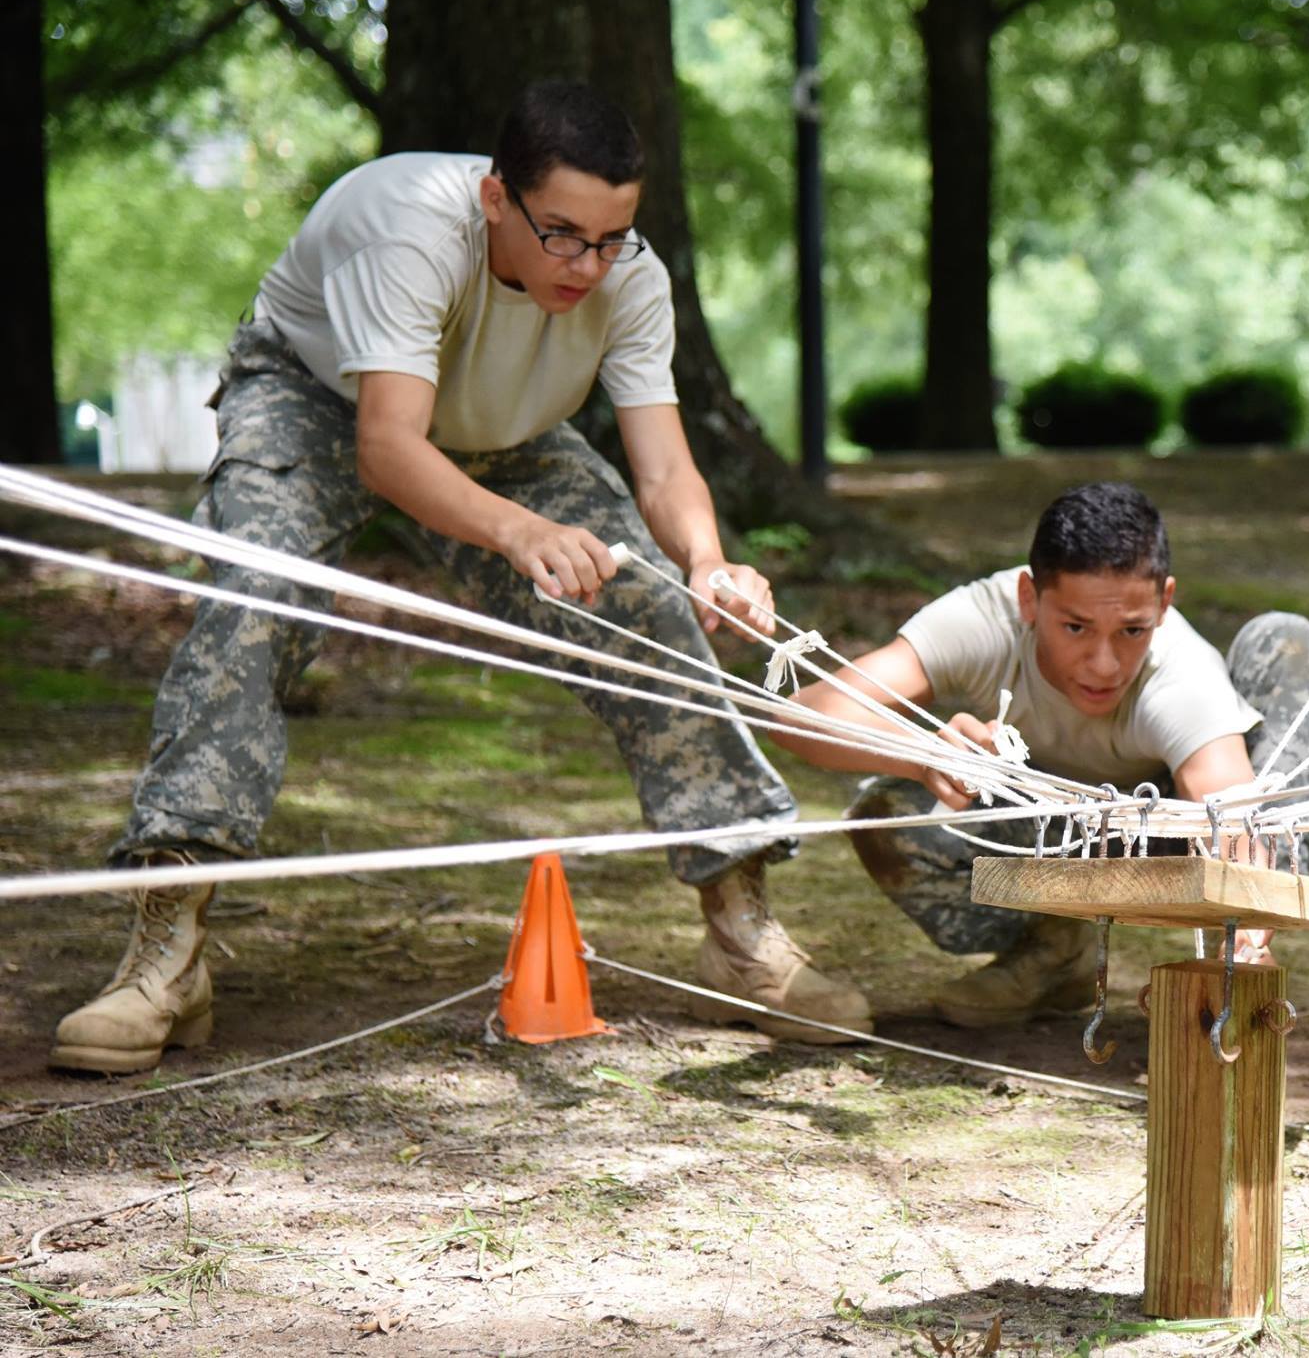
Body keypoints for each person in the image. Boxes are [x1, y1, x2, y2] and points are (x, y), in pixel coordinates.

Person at [49, 81, 868, 1075]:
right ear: (495, 201)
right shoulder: (407, 233)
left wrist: (707, 559)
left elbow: (661, 466)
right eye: (562, 234)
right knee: (251, 608)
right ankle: (165, 954)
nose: (588, 265)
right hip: (315, 397)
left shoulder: (628, 275)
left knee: (648, 603)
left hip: (499, 431)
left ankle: (742, 929)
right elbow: (389, 447)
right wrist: (518, 532)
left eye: (611, 238)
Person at [768, 481, 1309, 1027]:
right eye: (1075, 627)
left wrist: (1240, 948)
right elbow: (801, 718)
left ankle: (1249, 957)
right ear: (1029, 598)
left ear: (1165, 602)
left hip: (1173, 838)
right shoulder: (984, 620)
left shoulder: (1182, 679)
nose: (1104, 664)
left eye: (1132, 630)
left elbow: (1230, 819)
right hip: (1055, 830)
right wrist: (926, 756)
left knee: (1283, 646)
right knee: (891, 812)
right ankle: (1056, 953)